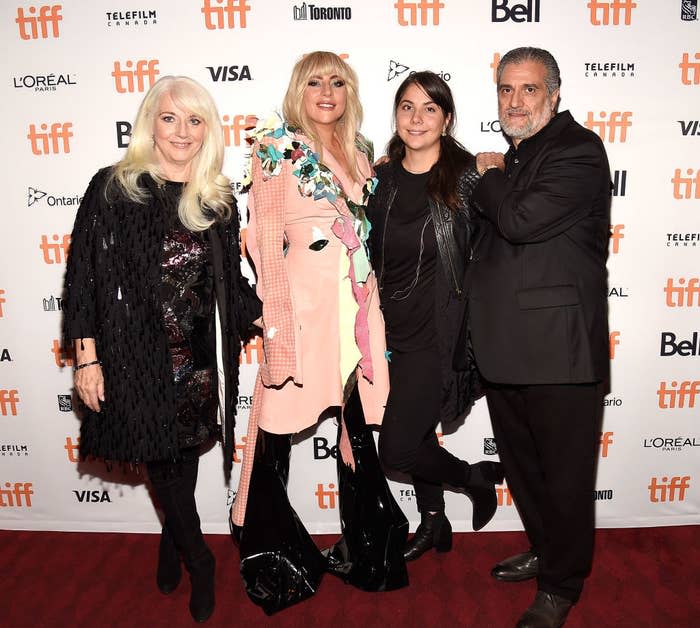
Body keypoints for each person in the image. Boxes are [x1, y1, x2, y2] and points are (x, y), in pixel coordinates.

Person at [63, 75, 261, 623]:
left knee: (183, 455)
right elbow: (83, 279)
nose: (181, 131)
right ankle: (199, 558)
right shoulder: (114, 188)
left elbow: (233, 288)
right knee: (164, 457)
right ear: (150, 122)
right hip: (136, 362)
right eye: (170, 117)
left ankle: (172, 537)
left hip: (197, 362)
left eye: (195, 120)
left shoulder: (216, 200)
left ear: (209, 131)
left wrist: (278, 317)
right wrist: (87, 358)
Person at [230, 51, 407, 614]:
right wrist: (275, 323)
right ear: (297, 90)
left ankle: (369, 553)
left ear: (349, 92)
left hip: (356, 308)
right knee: (275, 427)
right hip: (302, 311)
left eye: (337, 81)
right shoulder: (274, 148)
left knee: (356, 425)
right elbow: (264, 245)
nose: (326, 91)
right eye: (315, 81)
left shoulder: (360, 152)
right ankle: (274, 564)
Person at [469, 47, 611, 627]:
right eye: (506, 89)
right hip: (507, 348)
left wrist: (490, 175)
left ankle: (561, 584)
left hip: (560, 353)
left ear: (555, 93)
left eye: (529, 89)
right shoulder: (520, 156)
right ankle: (547, 550)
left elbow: (521, 220)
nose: (515, 101)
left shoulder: (578, 150)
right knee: (525, 470)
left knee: (566, 478)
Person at [367, 71, 504, 562]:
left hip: (438, 331)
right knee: (419, 431)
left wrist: (496, 173)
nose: (417, 118)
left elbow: (507, 237)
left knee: (397, 450)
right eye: (408, 107)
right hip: (388, 330)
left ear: (446, 119)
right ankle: (433, 522)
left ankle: (474, 478)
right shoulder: (378, 179)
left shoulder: (468, 177)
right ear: (396, 116)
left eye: (430, 108)